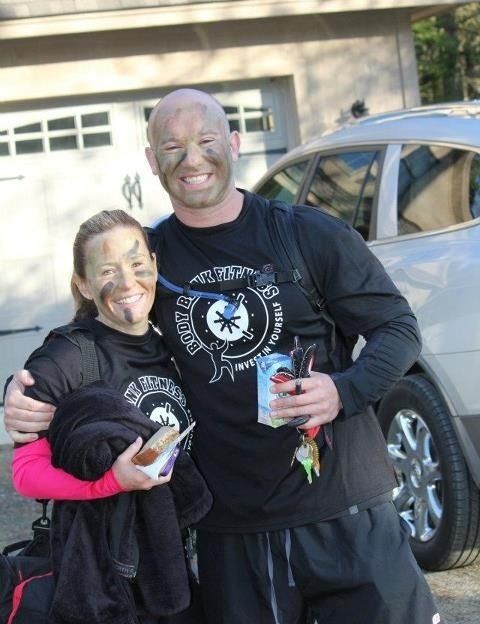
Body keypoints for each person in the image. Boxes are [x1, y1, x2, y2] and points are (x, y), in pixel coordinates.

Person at [4, 90, 442, 624]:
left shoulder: (307, 234)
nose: (192, 158)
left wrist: (342, 391)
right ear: (152, 161)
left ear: (233, 144)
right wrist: (23, 389)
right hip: (232, 536)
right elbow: (94, 336)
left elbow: (398, 329)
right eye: (173, 146)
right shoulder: (150, 263)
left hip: (347, 512)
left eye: (206, 140)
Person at [8, 208, 212, 624]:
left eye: (136, 264)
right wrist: (110, 482)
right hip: (105, 583)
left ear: (154, 265)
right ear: (83, 284)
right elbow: (25, 475)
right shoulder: (67, 357)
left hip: (173, 565)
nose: (127, 282)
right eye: (106, 271)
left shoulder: (173, 345)